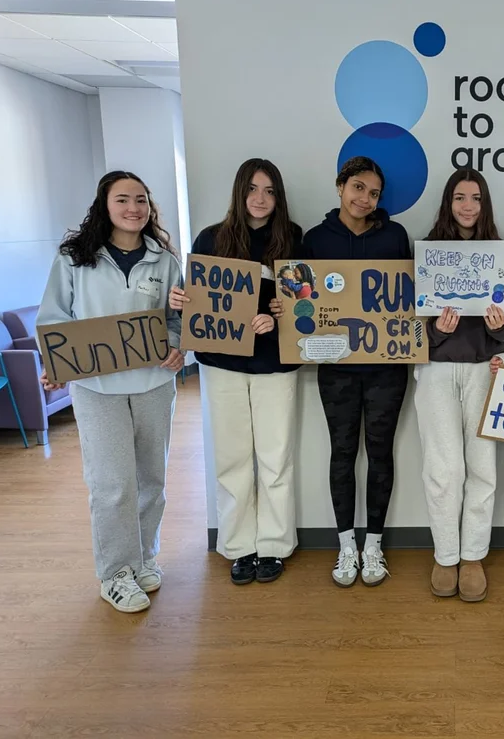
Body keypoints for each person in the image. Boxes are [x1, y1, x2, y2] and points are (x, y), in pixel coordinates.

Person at [37, 171, 184, 613]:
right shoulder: (73, 259)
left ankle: (143, 558)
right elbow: (54, 319)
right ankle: (115, 573)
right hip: (97, 389)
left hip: (154, 385)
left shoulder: (165, 260)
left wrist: (176, 348)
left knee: (151, 480)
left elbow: (175, 320)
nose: (133, 208)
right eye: (123, 200)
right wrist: (55, 364)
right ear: (104, 206)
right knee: (113, 483)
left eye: (141, 200)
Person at [169, 158, 303, 585]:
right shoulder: (211, 238)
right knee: (231, 458)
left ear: (278, 197)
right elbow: (200, 299)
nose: (260, 199)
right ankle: (239, 545)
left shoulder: (294, 239)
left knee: (275, 458)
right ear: (239, 192)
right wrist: (181, 300)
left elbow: (308, 302)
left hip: (275, 364)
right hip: (222, 363)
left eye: (269, 191)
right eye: (253, 189)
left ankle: (275, 546)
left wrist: (280, 314)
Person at [304, 156, 411, 588]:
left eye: (374, 193)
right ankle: (346, 544)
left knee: (381, 453)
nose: (365, 198)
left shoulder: (395, 236)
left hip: (387, 368)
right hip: (336, 369)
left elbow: (408, 297)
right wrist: (290, 309)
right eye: (359, 188)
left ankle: (374, 546)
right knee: (342, 453)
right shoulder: (314, 239)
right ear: (340, 186)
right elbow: (301, 300)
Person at [415, 169, 504, 603]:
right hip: (437, 369)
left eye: (475, 198)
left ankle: (473, 555)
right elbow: (407, 324)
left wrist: (499, 328)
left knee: (482, 466)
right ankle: (446, 554)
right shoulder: (427, 252)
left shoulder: (501, 254)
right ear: (448, 202)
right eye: (459, 197)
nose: (467, 206)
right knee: (443, 469)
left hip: (483, 369)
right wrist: (436, 331)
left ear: (485, 204)